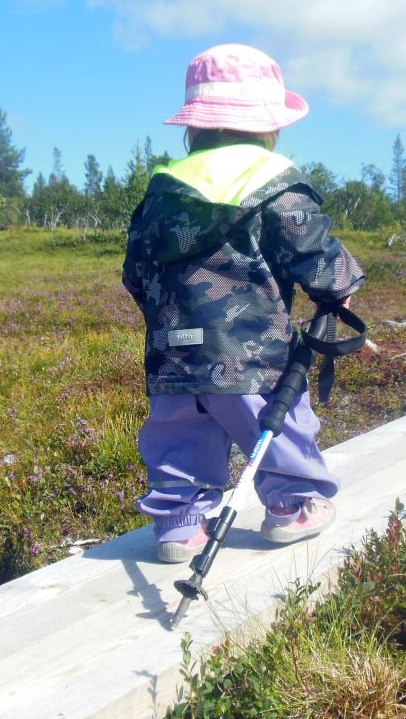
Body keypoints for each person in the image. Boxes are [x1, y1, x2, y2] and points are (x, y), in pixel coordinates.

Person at [122, 43, 365, 563]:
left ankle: (179, 526)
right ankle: (294, 506)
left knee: (179, 433)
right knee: (275, 425)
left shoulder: (161, 193)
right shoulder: (277, 187)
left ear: (196, 126)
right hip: (251, 354)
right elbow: (319, 258)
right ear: (267, 125)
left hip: (172, 352)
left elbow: (135, 272)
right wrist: (340, 288)